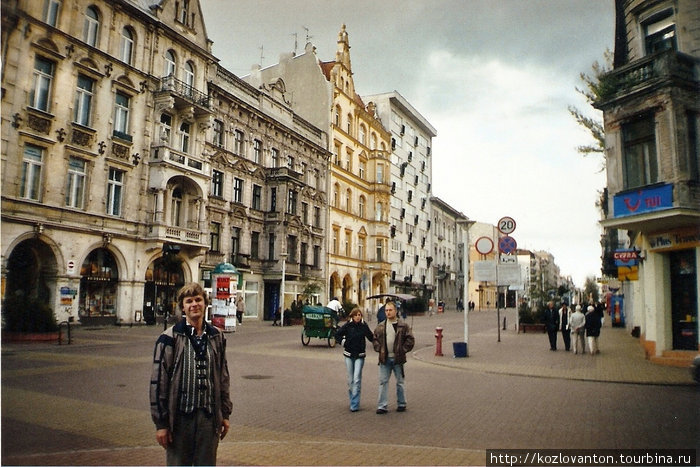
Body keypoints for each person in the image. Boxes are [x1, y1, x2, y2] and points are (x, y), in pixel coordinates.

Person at [150, 282, 232, 466]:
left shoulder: (217, 337)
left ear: (205, 304)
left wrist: (225, 414)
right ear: (183, 307)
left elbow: (223, 377)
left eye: (198, 300)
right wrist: (161, 424)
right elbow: (158, 382)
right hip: (180, 420)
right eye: (189, 301)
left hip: (208, 418)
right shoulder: (169, 338)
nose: (194, 304)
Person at [373, 300, 415, 414]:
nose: (388, 312)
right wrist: (379, 348)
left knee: (400, 381)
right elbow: (375, 339)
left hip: (398, 358)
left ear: (395, 311)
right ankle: (382, 405)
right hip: (385, 358)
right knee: (383, 381)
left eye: (390, 310)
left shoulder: (403, 325)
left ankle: (401, 403)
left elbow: (410, 339)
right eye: (386, 310)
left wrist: (403, 350)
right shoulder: (381, 326)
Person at [335, 308, 374, 412]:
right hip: (349, 355)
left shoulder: (363, 325)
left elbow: (371, 337)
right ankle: (352, 398)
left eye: (359, 315)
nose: (358, 317)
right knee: (350, 380)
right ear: (352, 316)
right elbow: (337, 334)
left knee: (357, 379)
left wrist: (379, 338)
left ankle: (354, 404)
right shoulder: (348, 325)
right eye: (356, 315)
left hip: (360, 355)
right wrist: (343, 342)